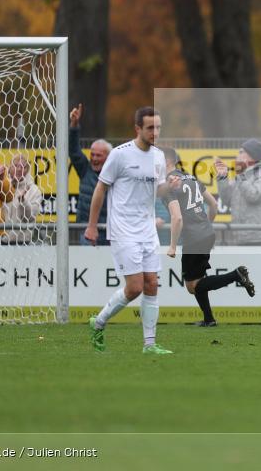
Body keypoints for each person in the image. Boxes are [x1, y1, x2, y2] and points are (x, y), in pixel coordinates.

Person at [86, 106, 172, 355]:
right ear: (137, 129)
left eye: (158, 127)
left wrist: (171, 186)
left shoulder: (158, 157)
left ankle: (149, 344)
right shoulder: (120, 155)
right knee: (134, 287)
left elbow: (160, 191)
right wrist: (92, 226)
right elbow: (101, 189)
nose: (155, 132)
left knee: (152, 283)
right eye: (150, 128)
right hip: (123, 229)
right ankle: (98, 322)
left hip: (147, 229)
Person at [162, 148, 255, 327]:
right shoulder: (190, 177)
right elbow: (213, 204)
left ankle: (236, 275)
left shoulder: (170, 184)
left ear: (166, 162)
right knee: (199, 279)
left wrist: (172, 245)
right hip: (205, 232)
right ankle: (209, 319)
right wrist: (206, 226)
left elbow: (177, 217)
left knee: (192, 286)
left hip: (194, 238)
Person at [214, 139, 261, 246]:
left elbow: (254, 196)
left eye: (241, 152)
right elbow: (227, 200)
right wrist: (222, 178)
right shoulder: (241, 175)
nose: (237, 155)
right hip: (240, 237)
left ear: (251, 155)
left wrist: (240, 175)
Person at [69, 104, 112, 245]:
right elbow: (74, 150)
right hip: (87, 231)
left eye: (98, 155)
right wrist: (74, 125)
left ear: (109, 157)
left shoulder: (116, 174)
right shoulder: (85, 169)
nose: (94, 158)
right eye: (92, 154)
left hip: (110, 232)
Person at [2, 154, 43, 245]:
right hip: (0, 241)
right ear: (9, 167)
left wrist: (23, 201)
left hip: (23, 243)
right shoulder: (2, 187)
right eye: (16, 165)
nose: (19, 169)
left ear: (27, 170)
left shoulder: (34, 191)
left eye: (23, 167)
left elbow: (30, 218)